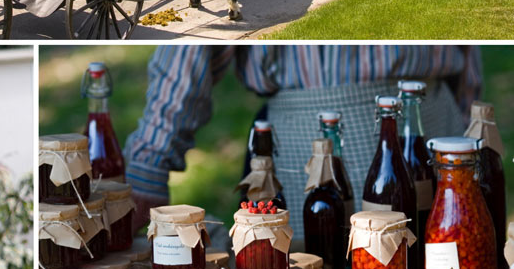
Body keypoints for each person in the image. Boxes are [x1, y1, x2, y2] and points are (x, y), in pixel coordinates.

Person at [123, 46, 481, 241]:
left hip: (431, 126)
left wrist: (470, 139)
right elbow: (191, 49)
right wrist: (149, 163)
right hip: (300, 145)